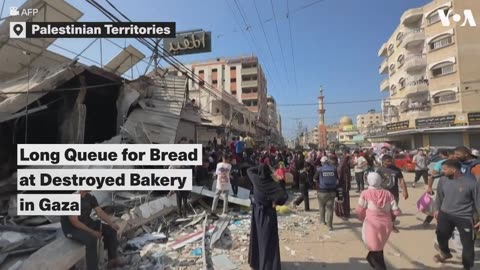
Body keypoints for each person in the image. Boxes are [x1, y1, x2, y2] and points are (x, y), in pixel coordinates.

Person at [433, 160, 480, 270]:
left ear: (453, 170)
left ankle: (467, 266)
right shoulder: (443, 180)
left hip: (464, 217)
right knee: (441, 236)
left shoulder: (471, 183)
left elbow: (478, 201)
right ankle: (445, 253)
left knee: (467, 244)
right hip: (445, 214)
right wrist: (436, 209)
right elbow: (439, 196)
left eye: (444, 169)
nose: (442, 171)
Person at [61, 191, 126, 270]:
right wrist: (92, 232)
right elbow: (74, 221)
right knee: (91, 239)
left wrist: (111, 223)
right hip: (72, 229)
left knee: (111, 230)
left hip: (87, 222)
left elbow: (99, 212)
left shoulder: (90, 197)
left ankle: (112, 260)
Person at [356, 173, 401, 270]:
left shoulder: (365, 193)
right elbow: (396, 211)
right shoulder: (388, 193)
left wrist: (363, 217)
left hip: (371, 224)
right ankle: (372, 259)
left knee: (375, 247)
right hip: (386, 224)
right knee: (379, 245)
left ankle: (378, 265)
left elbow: (360, 210)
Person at [247, 164, 288, 270]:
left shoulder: (256, 179)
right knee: (268, 241)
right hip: (268, 214)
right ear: (269, 173)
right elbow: (284, 197)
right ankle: (268, 266)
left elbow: (250, 169)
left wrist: (263, 167)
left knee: (258, 238)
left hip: (258, 214)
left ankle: (258, 263)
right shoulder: (273, 185)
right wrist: (275, 202)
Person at [376, 155, 409, 233]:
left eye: (391, 161)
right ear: (383, 161)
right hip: (383, 194)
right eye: (388, 161)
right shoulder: (380, 170)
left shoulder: (396, 169)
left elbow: (401, 180)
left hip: (394, 193)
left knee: (394, 210)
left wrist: (405, 191)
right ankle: (382, 225)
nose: (390, 162)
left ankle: (392, 224)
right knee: (382, 210)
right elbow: (376, 181)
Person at [424, 150, 451, 226]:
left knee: (440, 205)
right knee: (439, 205)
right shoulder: (441, 163)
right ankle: (430, 222)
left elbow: (432, 176)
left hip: (447, 187)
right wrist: (429, 187)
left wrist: (429, 187)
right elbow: (432, 176)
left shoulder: (441, 163)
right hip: (442, 188)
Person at [314, 156, 339, 230]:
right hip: (332, 191)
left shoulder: (320, 169)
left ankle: (322, 221)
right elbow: (337, 179)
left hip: (322, 191)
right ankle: (329, 226)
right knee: (330, 209)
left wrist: (319, 183)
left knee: (321, 206)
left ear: (322, 162)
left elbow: (314, 179)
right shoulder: (334, 168)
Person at [336, 153, 352, 219]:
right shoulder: (341, 168)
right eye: (349, 160)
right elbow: (339, 178)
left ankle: (346, 213)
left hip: (345, 186)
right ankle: (342, 213)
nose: (350, 161)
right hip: (341, 187)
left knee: (345, 200)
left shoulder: (346, 167)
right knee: (341, 200)